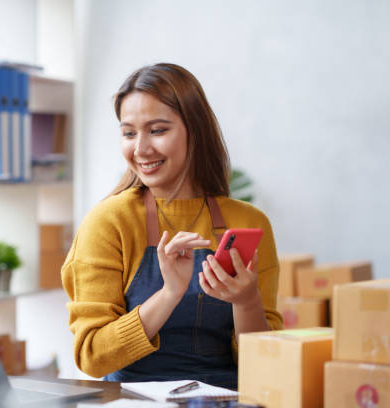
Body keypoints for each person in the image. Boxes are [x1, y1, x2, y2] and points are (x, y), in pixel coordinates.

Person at [61, 63, 282, 389]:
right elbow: (92, 356)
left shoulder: (249, 222)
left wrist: (246, 302)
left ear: (195, 130)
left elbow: (268, 365)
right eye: (129, 133)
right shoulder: (109, 222)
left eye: (158, 130)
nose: (140, 149)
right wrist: (168, 294)